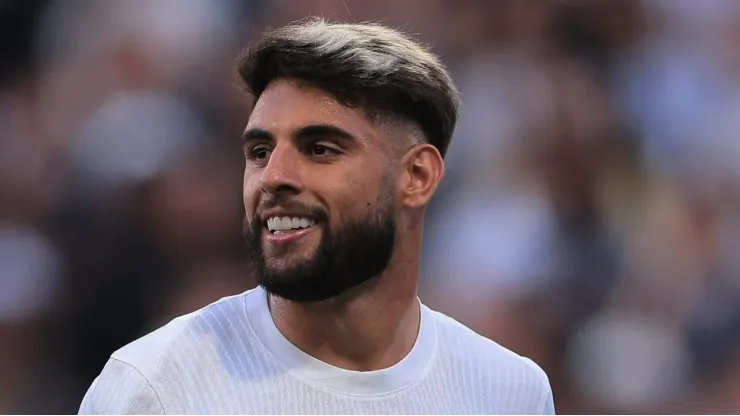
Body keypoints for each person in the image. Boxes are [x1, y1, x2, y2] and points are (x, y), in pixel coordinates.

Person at [79, 18, 555, 415]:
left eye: (320, 149)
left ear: (417, 175)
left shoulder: (509, 392)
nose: (273, 177)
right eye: (260, 151)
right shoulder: (156, 388)